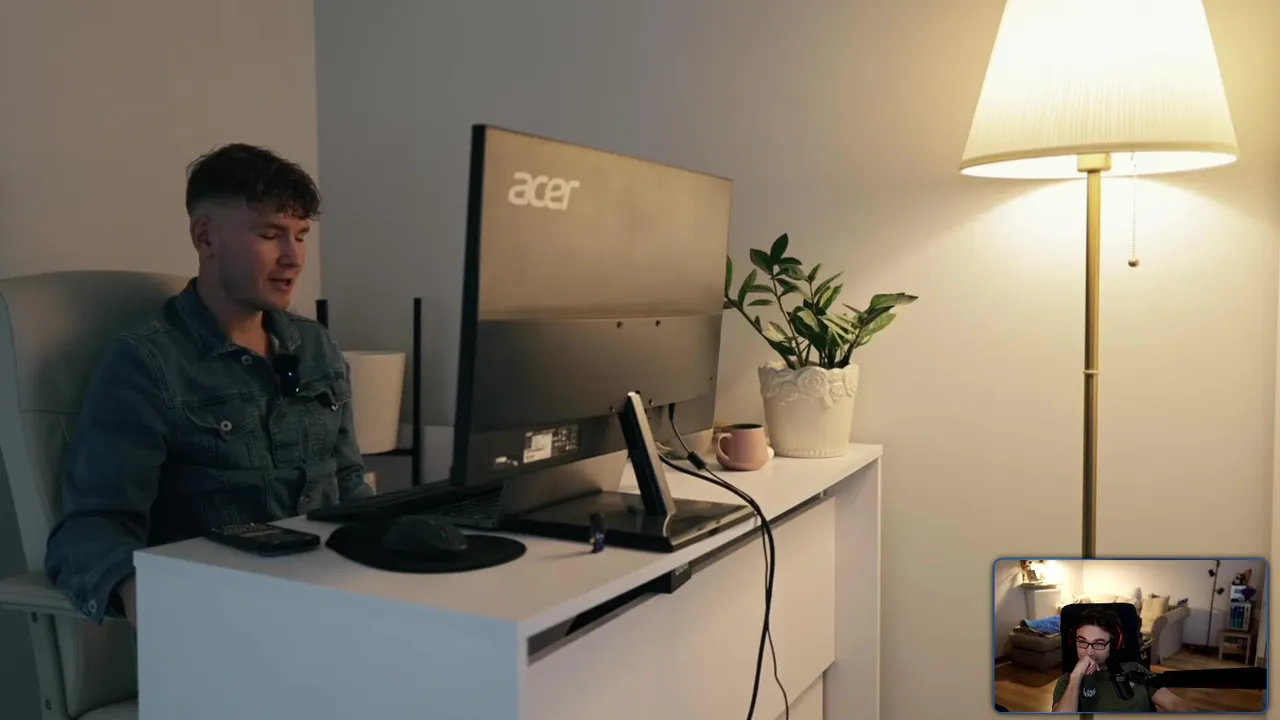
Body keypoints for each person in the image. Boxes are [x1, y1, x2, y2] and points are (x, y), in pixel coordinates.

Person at [44, 143, 374, 627]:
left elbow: (348, 486)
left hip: (337, 603)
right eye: (271, 235)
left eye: (301, 236)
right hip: (229, 618)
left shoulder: (315, 346)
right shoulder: (147, 363)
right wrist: (143, 595)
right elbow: (92, 527)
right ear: (205, 236)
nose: (293, 257)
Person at [1051, 608, 1195, 712]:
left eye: (1099, 644)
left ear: (1113, 645)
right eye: (1082, 642)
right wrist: (1076, 678)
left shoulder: (1135, 670)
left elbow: (1174, 703)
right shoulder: (1067, 681)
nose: (1089, 652)